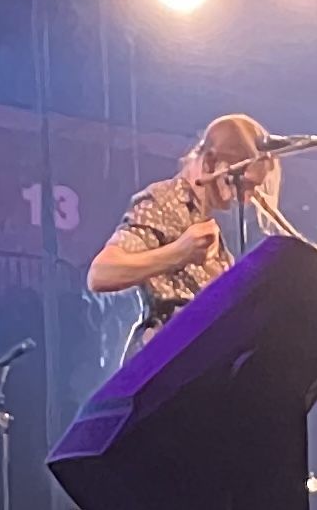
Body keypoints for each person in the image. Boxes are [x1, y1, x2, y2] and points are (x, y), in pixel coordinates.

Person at [87, 114, 283, 352]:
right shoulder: (163, 200)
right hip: (163, 362)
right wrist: (179, 253)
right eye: (241, 183)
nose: (245, 198)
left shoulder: (208, 226)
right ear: (210, 164)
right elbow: (101, 273)